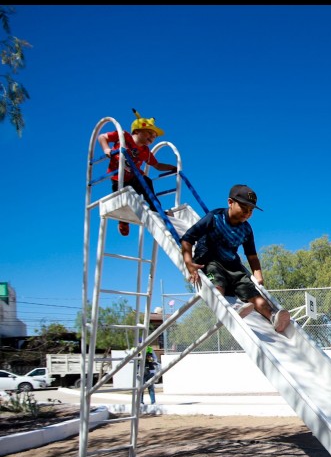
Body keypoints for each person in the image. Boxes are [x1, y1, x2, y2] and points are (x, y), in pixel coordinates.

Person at [180, 184, 291, 333]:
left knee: (252, 292)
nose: (247, 213)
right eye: (244, 208)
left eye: (251, 210)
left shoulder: (246, 229)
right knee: (217, 281)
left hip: (232, 265)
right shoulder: (215, 217)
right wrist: (188, 262)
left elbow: (252, 256)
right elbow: (187, 239)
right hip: (208, 261)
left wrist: (258, 275)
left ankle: (272, 316)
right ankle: (231, 307)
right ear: (230, 202)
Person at [97, 109, 178, 236]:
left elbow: (157, 165)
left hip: (134, 178)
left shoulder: (145, 151)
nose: (152, 137)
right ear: (137, 131)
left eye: (154, 136)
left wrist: (172, 167)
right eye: (149, 133)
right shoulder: (124, 136)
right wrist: (106, 149)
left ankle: (157, 209)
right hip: (119, 179)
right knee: (126, 200)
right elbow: (102, 137)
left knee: (146, 182)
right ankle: (123, 221)